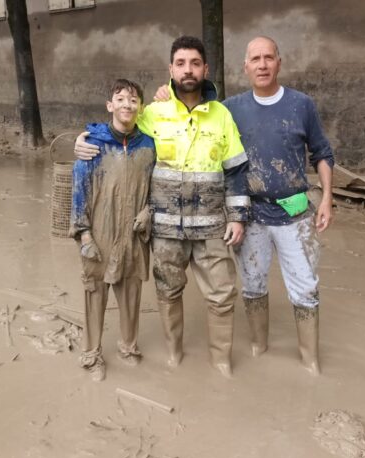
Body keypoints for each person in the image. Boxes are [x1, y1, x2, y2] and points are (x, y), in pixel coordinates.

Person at [154, 36, 334, 376]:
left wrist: (326, 198)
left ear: (279, 63)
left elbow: (323, 153)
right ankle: (258, 348)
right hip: (250, 215)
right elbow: (191, 119)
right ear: (245, 67)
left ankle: (310, 359)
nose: (262, 65)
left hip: (295, 211)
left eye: (269, 57)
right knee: (252, 284)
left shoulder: (301, 105)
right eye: (255, 59)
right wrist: (163, 94)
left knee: (305, 286)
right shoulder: (229, 109)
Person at [76, 36, 250, 378]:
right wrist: (84, 139)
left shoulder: (222, 115)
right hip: (166, 228)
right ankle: (174, 355)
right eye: (181, 63)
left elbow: (237, 169)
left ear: (205, 69)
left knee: (222, 293)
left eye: (195, 63)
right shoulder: (152, 113)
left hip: (213, 225)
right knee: (168, 290)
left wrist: (239, 217)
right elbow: (119, 131)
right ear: (171, 69)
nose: (188, 70)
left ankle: (221, 361)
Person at [69, 79, 156, 381]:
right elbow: (78, 190)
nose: (126, 105)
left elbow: (156, 188)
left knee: (131, 292)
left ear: (140, 108)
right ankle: (92, 354)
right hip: (100, 232)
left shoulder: (148, 145)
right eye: (120, 99)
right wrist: (83, 234)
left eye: (133, 100)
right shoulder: (92, 143)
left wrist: (149, 212)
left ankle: (128, 347)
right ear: (110, 105)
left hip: (133, 233)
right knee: (95, 294)